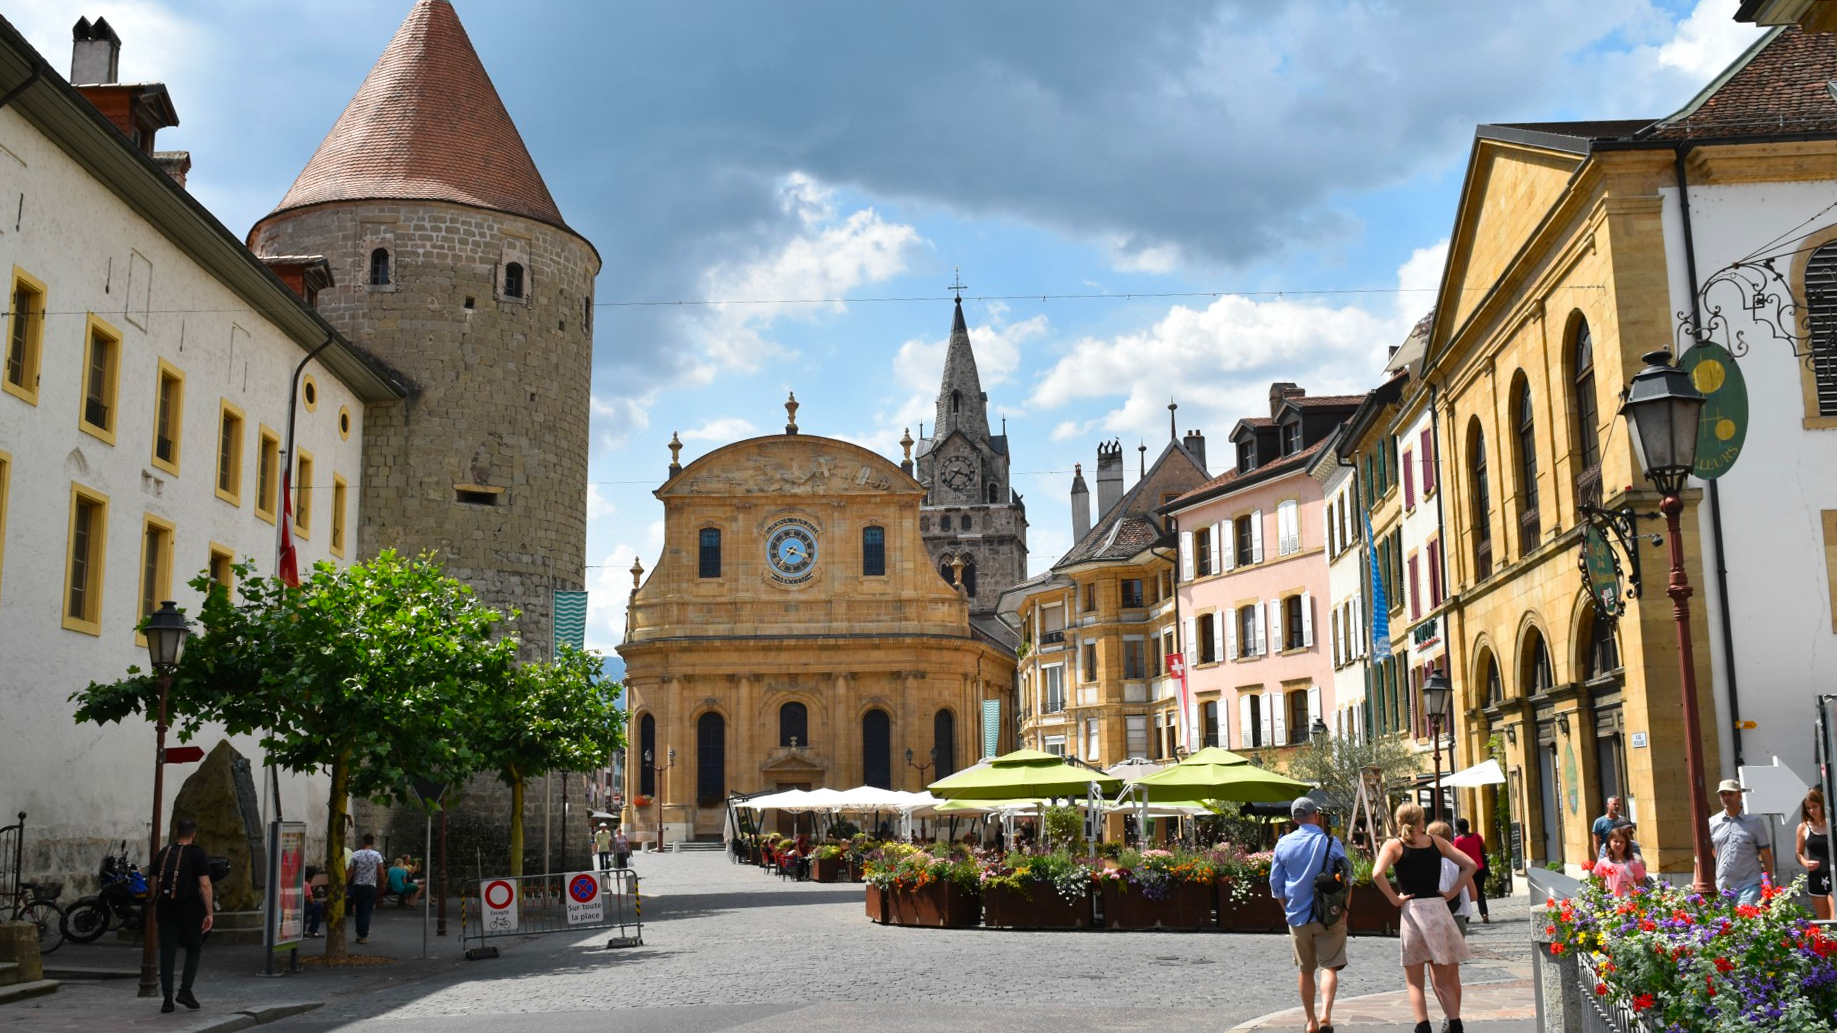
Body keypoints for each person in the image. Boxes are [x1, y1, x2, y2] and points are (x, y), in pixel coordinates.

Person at [1374, 801, 1476, 1033]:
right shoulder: (1436, 842)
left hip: (1413, 913)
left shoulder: (1393, 846)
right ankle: (1455, 1022)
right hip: (1438, 910)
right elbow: (1470, 864)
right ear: (1421, 821)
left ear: (1399, 821)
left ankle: (1423, 1025)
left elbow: (1377, 873)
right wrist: (1451, 891)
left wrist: (1394, 898)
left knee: (1414, 980)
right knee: (1442, 979)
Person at [1268, 796, 1349, 1033]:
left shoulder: (1283, 844)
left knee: (1305, 970)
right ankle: (1325, 1015)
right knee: (1329, 967)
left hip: (1297, 916)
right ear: (1316, 815)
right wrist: (1345, 909)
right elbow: (1348, 878)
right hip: (1328, 916)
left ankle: (1311, 1021)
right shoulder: (1331, 842)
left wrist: (1287, 909)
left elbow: (1275, 884)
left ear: (1294, 819)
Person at [150, 817, 213, 1014]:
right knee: (194, 948)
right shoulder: (198, 854)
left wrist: (156, 903)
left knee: (167, 953)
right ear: (194, 834)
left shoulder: (163, 853)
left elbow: (152, 883)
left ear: (177, 833)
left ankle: (167, 999)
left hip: (166, 909)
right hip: (191, 910)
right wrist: (209, 912)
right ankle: (185, 990)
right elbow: (205, 885)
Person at [1709, 779, 1773, 905]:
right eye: (1723, 794)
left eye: (1730, 794)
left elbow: (1765, 853)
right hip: (1723, 886)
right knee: (1726, 923)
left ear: (1739, 795)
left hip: (1749, 884)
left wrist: (1768, 882)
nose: (1726, 798)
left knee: (1746, 921)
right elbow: (1712, 851)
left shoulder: (1754, 822)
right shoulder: (1712, 822)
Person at [1428, 822, 1475, 937]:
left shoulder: (1427, 863)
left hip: (1432, 917)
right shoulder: (1461, 863)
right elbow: (1473, 895)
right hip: (1457, 916)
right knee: (1457, 954)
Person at [1797, 787, 1833, 920]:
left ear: (1822, 804)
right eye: (1808, 808)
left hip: (1834, 876)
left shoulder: (1832, 825)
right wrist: (1805, 862)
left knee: (1834, 919)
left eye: (1815, 806)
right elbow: (1798, 853)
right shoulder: (1803, 827)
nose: (1812, 811)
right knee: (1824, 923)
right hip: (1816, 879)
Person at [347, 833, 386, 945]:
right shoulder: (376, 855)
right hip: (370, 885)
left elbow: (350, 871)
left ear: (363, 842)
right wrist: (382, 883)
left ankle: (359, 933)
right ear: (372, 842)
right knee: (366, 911)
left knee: (359, 910)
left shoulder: (356, 855)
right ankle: (364, 934)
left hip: (358, 885)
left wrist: (345, 883)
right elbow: (381, 871)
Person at [1450, 818, 1489, 924]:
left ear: (1458, 828)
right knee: (1480, 892)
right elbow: (1484, 849)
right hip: (1479, 868)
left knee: (1466, 893)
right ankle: (1484, 914)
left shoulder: (1458, 841)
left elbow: (1455, 855)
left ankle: (1466, 916)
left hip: (1466, 870)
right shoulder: (1477, 836)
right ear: (1468, 826)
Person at [1596, 825, 1647, 897]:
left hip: (1630, 904)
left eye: (1622, 842)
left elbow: (1640, 886)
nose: (1618, 844)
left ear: (1626, 844)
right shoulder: (1602, 863)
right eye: (1615, 841)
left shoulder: (1635, 863)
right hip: (1611, 903)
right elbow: (1600, 887)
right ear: (1609, 842)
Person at [303, 866, 328, 937]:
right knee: (318, 905)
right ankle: (313, 930)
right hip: (304, 908)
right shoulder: (306, 885)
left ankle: (303, 930)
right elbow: (312, 901)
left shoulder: (298, 882)